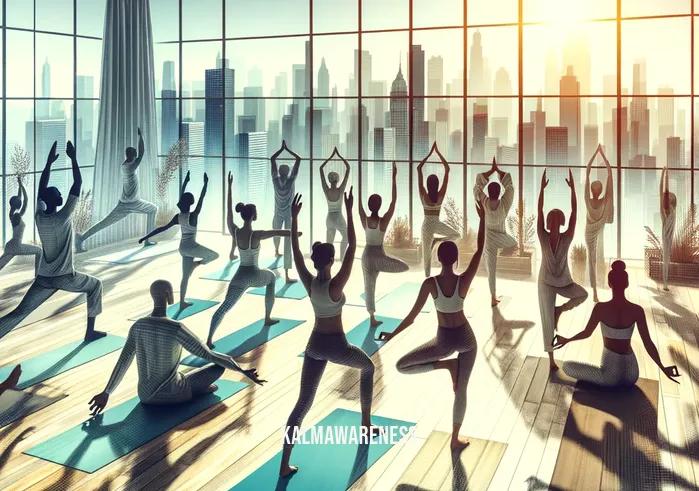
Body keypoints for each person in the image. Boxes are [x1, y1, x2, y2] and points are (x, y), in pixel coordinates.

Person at [280, 189, 380, 478]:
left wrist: (294, 219)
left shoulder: (310, 282)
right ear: (331, 260)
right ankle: (365, 423)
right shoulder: (336, 285)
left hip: (313, 346)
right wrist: (349, 211)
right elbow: (352, 247)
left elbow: (296, 251)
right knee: (368, 367)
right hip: (336, 346)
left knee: (302, 404)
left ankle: (285, 463)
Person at [378, 202, 485, 451]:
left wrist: (392, 334)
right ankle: (455, 438)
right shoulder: (463, 279)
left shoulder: (430, 283)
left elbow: (412, 316)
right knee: (462, 389)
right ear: (456, 258)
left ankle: (446, 365)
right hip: (466, 340)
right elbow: (480, 251)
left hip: (445, 341)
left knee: (402, 366)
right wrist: (482, 219)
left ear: (437, 258)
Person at [88, 280, 265, 413]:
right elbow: (208, 354)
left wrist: (106, 392)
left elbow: (123, 361)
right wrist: (242, 370)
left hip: (145, 396)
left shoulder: (138, 326)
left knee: (183, 374)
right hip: (174, 394)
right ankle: (197, 391)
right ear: (169, 296)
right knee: (217, 368)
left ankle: (196, 388)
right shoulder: (175, 328)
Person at [0, 142, 105, 342]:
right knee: (95, 285)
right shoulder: (63, 216)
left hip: (43, 278)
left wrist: (48, 164)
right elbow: (77, 185)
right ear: (56, 201)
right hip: (65, 277)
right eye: (58, 195)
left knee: (19, 312)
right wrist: (73, 159)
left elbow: (41, 190)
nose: (61, 196)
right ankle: (90, 332)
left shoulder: (39, 217)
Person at [207, 172, 300, 349]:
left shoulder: (234, 231)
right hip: (255, 275)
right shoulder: (257, 234)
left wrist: (229, 187)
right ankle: (267, 317)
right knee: (272, 277)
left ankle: (209, 338)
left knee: (224, 307)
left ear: (242, 215)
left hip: (239, 276)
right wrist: (295, 232)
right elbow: (280, 232)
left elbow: (228, 212)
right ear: (254, 216)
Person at [552, 261, 680, 387]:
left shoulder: (600, 308)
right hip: (632, 374)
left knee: (567, 366)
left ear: (609, 284)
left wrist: (567, 340)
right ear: (627, 283)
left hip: (610, 376)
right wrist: (663, 367)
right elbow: (648, 342)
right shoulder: (637, 310)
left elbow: (587, 333)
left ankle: (602, 383)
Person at [139, 171, 219, 312]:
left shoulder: (179, 216)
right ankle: (197, 264)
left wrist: (146, 237)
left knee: (185, 277)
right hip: (191, 247)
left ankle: (182, 302)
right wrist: (206, 183)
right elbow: (202, 198)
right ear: (190, 204)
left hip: (182, 248)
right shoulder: (194, 215)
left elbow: (162, 228)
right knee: (214, 255)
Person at [537, 169, 588, 371]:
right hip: (545, 281)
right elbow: (539, 210)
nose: (556, 221)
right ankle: (551, 360)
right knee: (546, 319)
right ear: (549, 222)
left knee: (582, 295)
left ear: (562, 222)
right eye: (553, 218)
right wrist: (541, 190)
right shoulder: (542, 235)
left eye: (558, 218)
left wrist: (573, 190)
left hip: (564, 280)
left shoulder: (567, 237)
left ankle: (560, 310)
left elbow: (575, 213)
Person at [75, 128, 157, 252]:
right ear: (133, 157)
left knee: (152, 209)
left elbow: (139, 154)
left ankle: (147, 240)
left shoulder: (125, 165)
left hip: (128, 203)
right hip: (130, 204)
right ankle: (81, 238)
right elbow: (142, 152)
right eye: (134, 156)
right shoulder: (130, 167)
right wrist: (141, 136)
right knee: (106, 222)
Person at [358, 162, 409, 327]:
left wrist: (358, 179)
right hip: (379, 257)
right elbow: (394, 201)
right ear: (379, 206)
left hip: (366, 256)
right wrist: (394, 178)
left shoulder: (364, 218)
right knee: (404, 267)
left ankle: (372, 317)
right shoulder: (383, 220)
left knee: (369, 287)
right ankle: (372, 318)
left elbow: (358, 203)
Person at [473, 158, 516, 306]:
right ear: (499, 192)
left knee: (491, 270)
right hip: (502, 238)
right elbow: (510, 186)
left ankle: (493, 297)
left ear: (488, 192)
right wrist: (499, 173)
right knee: (514, 243)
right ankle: (493, 297)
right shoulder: (504, 205)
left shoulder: (483, 201)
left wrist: (490, 171)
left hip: (488, 240)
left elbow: (477, 185)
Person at [418, 142, 460, 277]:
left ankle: (427, 278)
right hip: (436, 224)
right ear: (436, 185)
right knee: (456, 235)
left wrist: (430, 154)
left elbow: (419, 169)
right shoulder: (440, 195)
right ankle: (438, 241)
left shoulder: (423, 195)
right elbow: (447, 169)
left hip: (427, 226)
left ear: (427, 184)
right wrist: (438, 153)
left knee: (427, 257)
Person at [584, 145, 614, 303]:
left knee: (595, 259)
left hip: (597, 230)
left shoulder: (604, 200)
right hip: (589, 232)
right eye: (593, 188)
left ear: (600, 189)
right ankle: (594, 292)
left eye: (597, 188)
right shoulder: (588, 199)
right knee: (591, 260)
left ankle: (598, 289)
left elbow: (610, 175)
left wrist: (600, 154)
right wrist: (597, 154)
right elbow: (588, 173)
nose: (595, 190)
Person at [271, 140, 302, 284]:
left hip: (278, 213)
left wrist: (281, 149)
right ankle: (287, 273)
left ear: (279, 172)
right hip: (289, 214)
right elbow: (298, 160)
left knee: (275, 233)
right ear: (288, 172)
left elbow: (272, 160)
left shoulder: (275, 180)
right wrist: (287, 149)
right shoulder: (291, 181)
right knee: (287, 241)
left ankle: (276, 250)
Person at [0, 176, 42, 274]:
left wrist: (19, 184)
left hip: (11, 245)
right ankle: (37, 275)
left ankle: (37, 275)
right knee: (39, 251)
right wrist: (22, 185)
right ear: (19, 204)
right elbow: (26, 201)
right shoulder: (17, 215)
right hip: (16, 245)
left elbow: (20, 198)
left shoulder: (13, 214)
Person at [320, 147, 351, 261]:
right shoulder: (340, 190)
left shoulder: (326, 190)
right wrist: (340, 156)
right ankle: (342, 259)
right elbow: (348, 169)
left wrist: (329, 158)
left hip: (329, 218)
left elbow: (320, 169)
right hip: (338, 217)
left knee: (329, 242)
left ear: (329, 180)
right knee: (346, 237)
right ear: (337, 180)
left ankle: (328, 261)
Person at [659, 167, 676, 291]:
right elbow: (663, 190)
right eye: (669, 196)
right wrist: (664, 175)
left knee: (667, 258)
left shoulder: (672, 208)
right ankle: (665, 283)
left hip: (670, 233)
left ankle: (665, 281)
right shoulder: (666, 207)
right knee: (666, 258)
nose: (670, 196)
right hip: (666, 233)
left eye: (671, 196)